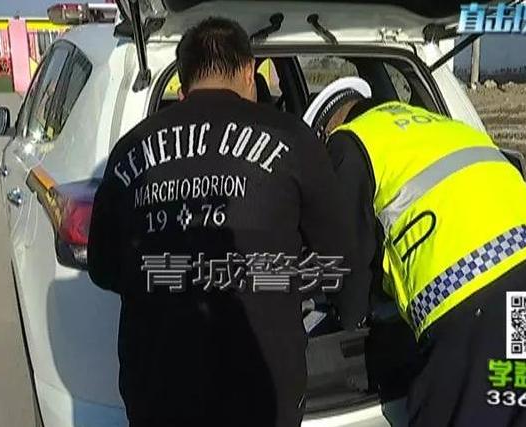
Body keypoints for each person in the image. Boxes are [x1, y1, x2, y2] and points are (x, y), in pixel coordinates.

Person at [87, 17, 356, 427]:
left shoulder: (130, 148)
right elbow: (338, 258)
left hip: (158, 385)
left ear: (183, 83)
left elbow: (104, 268)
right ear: (249, 71)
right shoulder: (293, 138)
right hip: (261, 386)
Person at [311, 81, 526, 426]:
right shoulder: (440, 124)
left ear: (327, 130)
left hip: (473, 293)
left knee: (453, 414)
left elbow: (346, 258)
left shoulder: (349, 141)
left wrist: (350, 316)